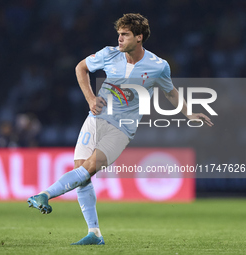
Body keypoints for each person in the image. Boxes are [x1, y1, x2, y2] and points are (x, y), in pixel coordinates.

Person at [27, 13, 213, 245]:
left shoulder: (158, 66)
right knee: (81, 176)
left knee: (88, 169)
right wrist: (90, 98)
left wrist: (189, 113)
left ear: (139, 37)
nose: (120, 39)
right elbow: (80, 68)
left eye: (125, 35)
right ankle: (94, 234)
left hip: (122, 129)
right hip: (94, 119)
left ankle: (45, 195)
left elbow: (170, 91)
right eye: (119, 34)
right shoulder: (109, 54)